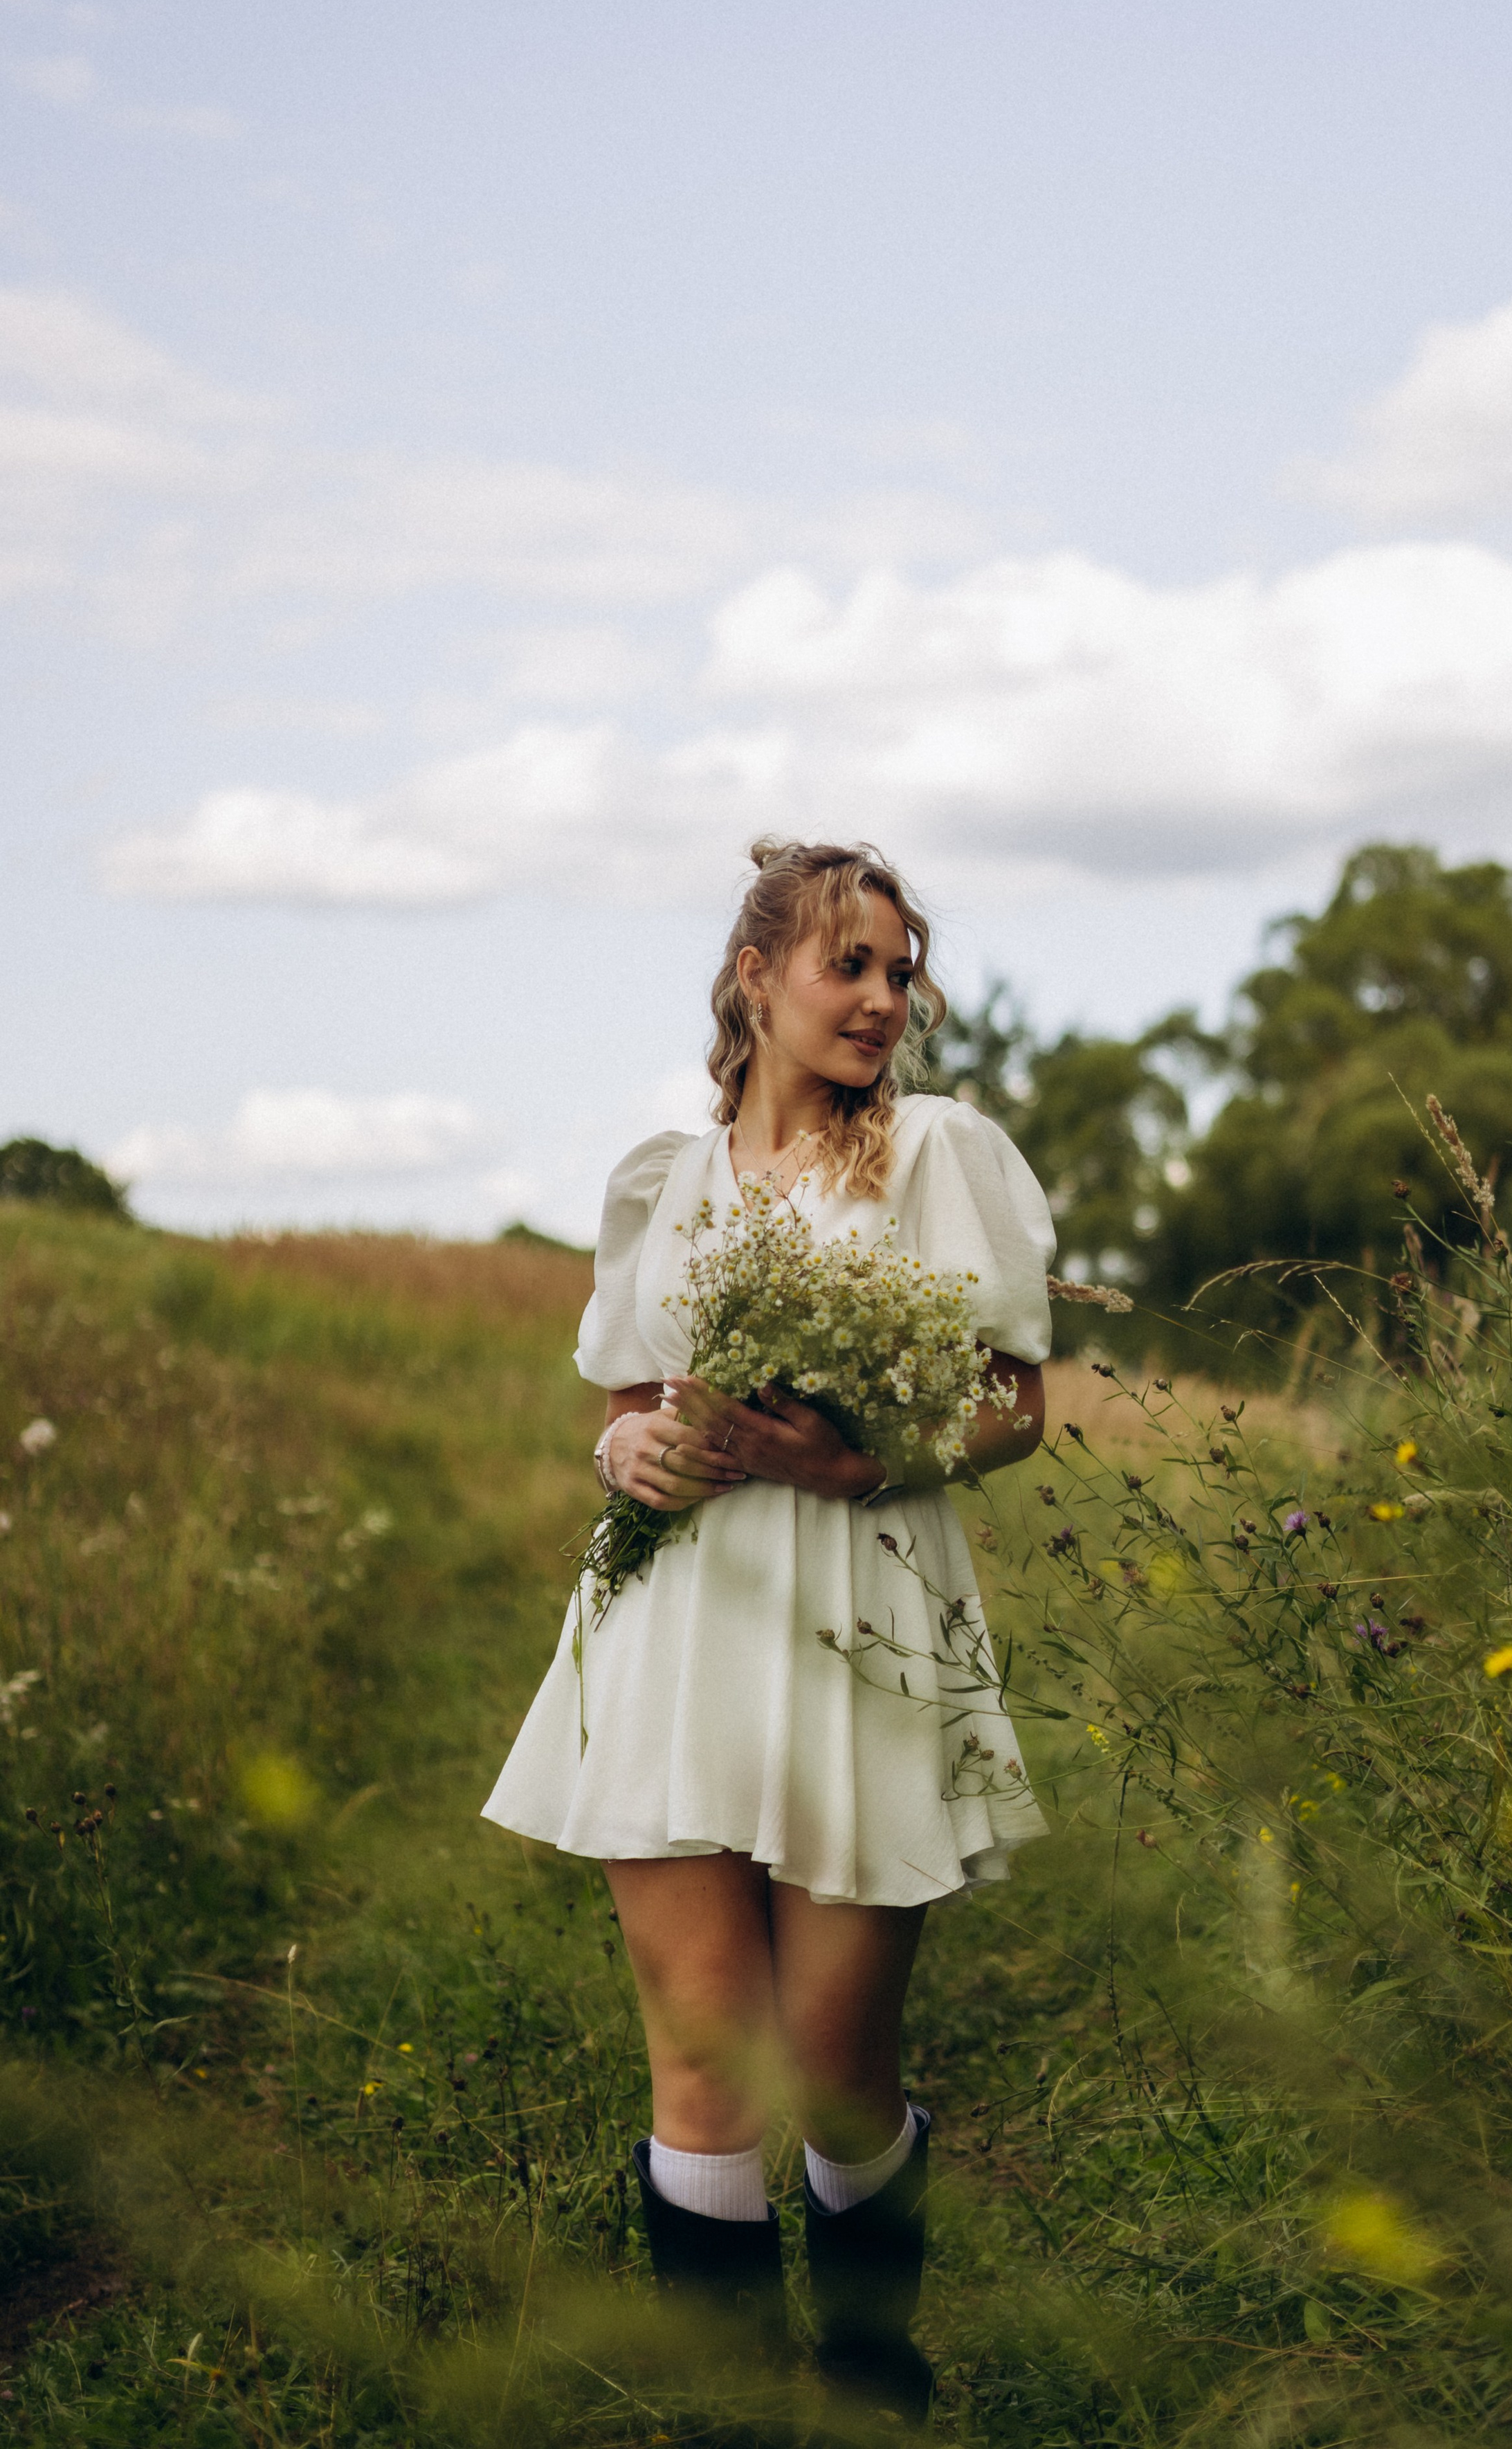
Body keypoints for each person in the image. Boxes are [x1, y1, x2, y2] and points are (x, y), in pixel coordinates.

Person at [482, 839, 1054, 2421]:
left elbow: (1016, 1405)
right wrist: (625, 1450)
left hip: (860, 1617)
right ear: (756, 976)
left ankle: (871, 2384)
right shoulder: (663, 1185)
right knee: (704, 2069)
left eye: (898, 972)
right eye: (846, 965)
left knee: (832, 2065)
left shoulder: (934, 1155)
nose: (882, 999)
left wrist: (864, 1461)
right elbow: (624, 1397)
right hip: (670, 1625)